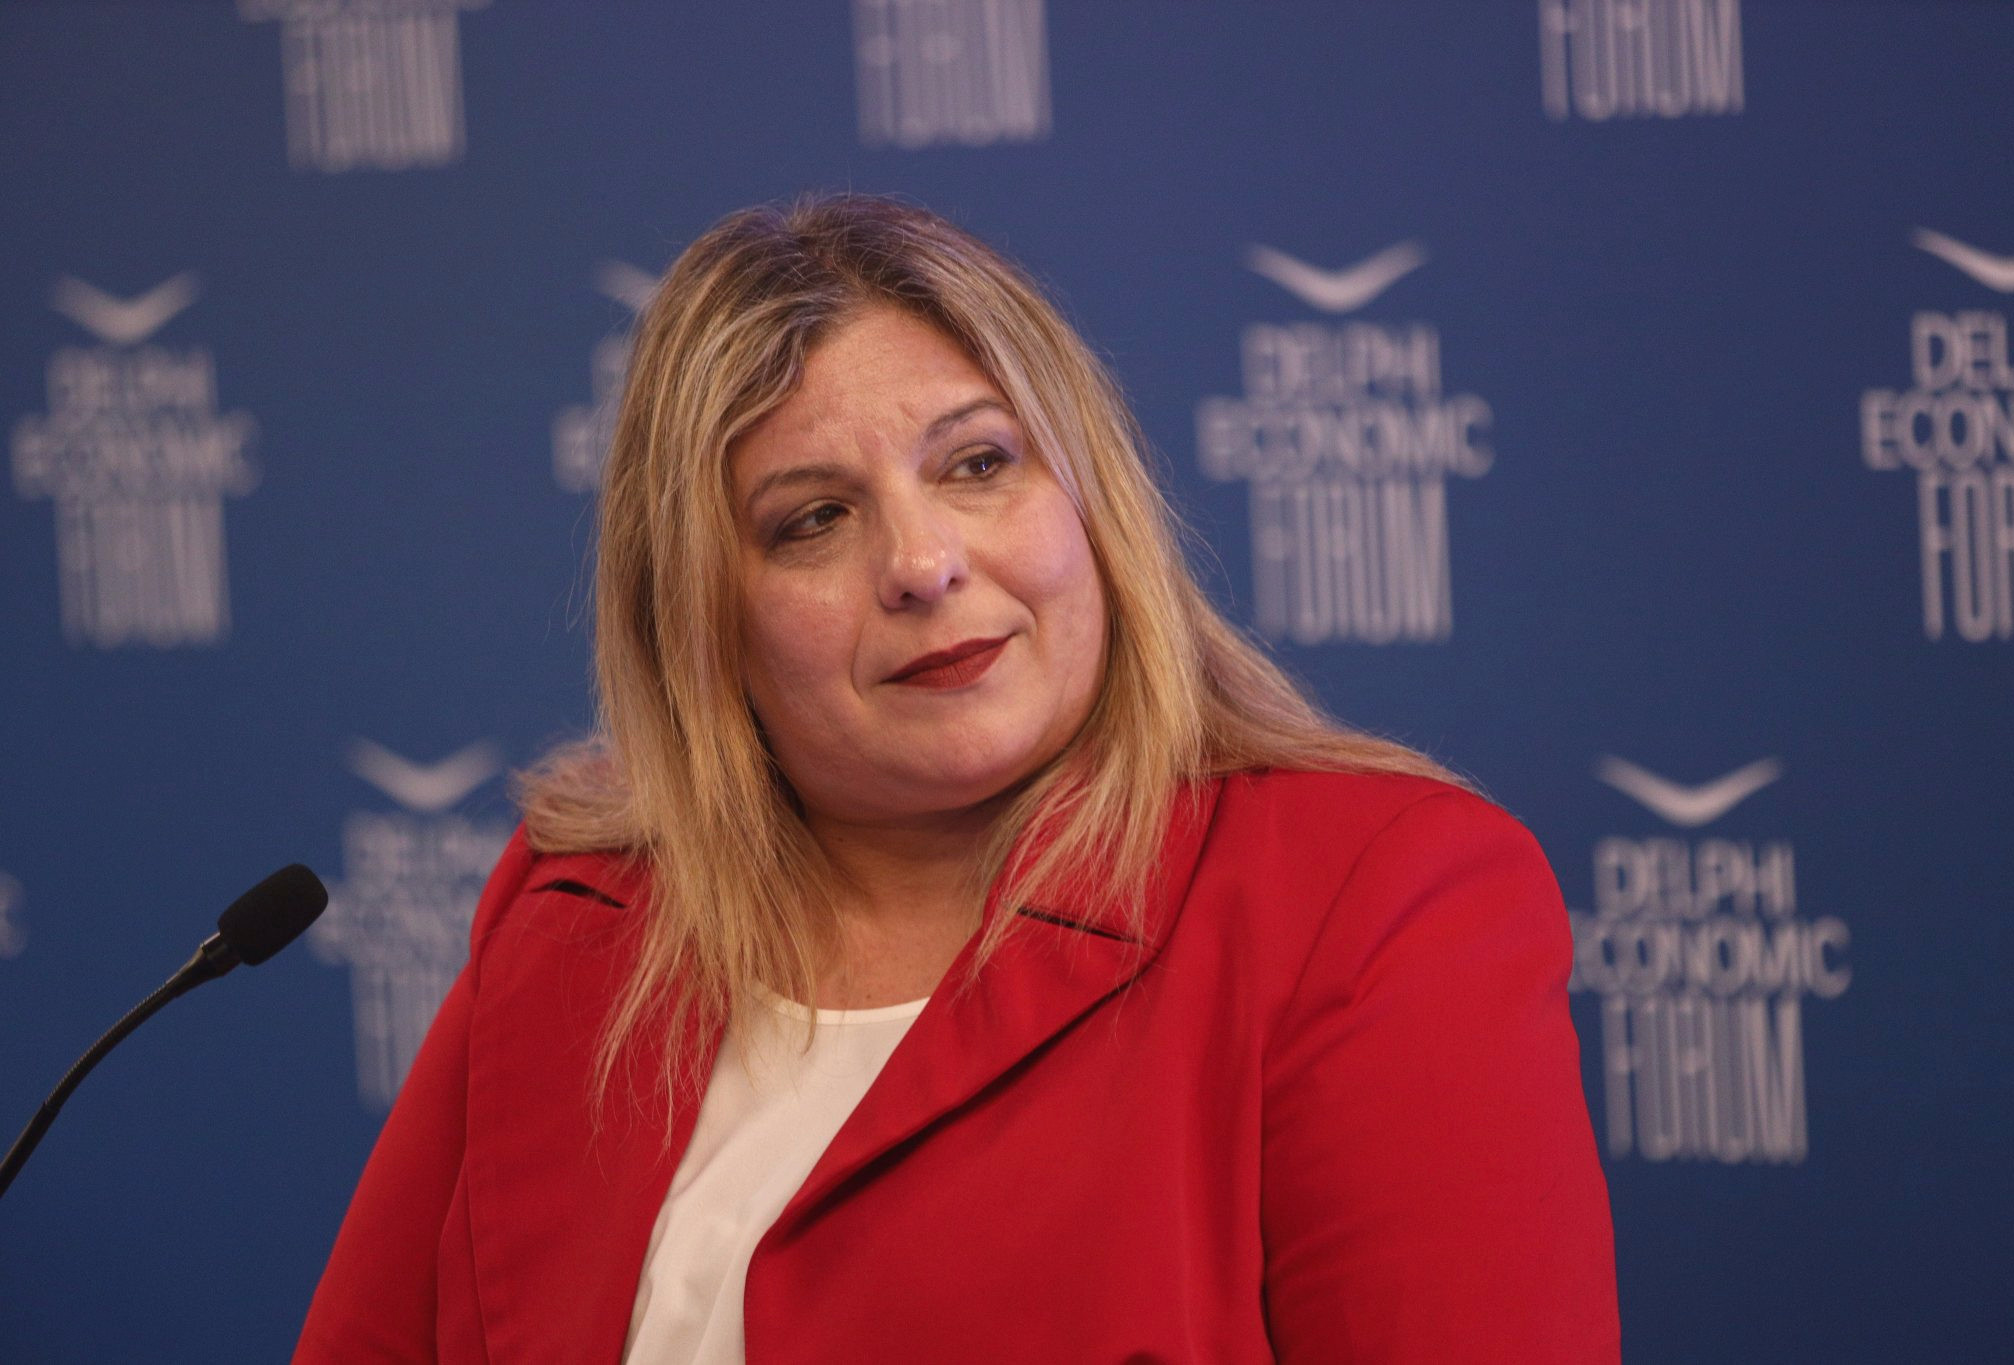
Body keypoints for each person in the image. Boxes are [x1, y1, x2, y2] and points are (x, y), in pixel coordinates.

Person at [295, 194, 1619, 1363]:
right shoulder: (572, 908)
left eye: (978, 463)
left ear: (1091, 501)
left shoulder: (1376, 901)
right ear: (698, 621)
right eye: (814, 519)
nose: (923, 564)